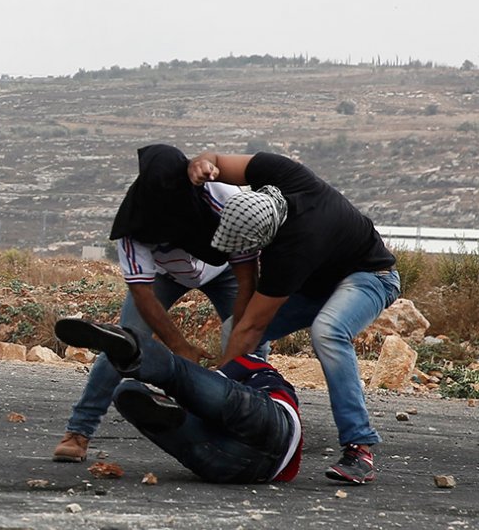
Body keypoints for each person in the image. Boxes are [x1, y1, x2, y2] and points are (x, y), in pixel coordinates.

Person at [188, 151, 400, 484]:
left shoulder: (293, 251)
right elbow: (214, 157)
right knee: (233, 330)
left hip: (370, 277)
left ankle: (360, 447)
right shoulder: (277, 171)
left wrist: (216, 393)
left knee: (327, 331)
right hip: (318, 282)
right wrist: (201, 164)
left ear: (266, 240)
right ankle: (251, 420)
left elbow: (254, 326)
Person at [53, 144, 264, 462]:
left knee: (253, 342)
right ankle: (79, 430)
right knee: (122, 343)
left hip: (226, 272)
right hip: (168, 276)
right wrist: (180, 347)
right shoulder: (134, 222)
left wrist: (238, 341)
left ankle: (259, 425)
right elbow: (143, 294)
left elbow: (248, 278)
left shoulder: (222, 198)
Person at [55, 318, 302, 483]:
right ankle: (142, 378)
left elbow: (212, 387)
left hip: (238, 458)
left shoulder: (252, 365)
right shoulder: (265, 373)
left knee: (174, 377)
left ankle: (134, 352)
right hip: (267, 464)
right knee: (177, 393)